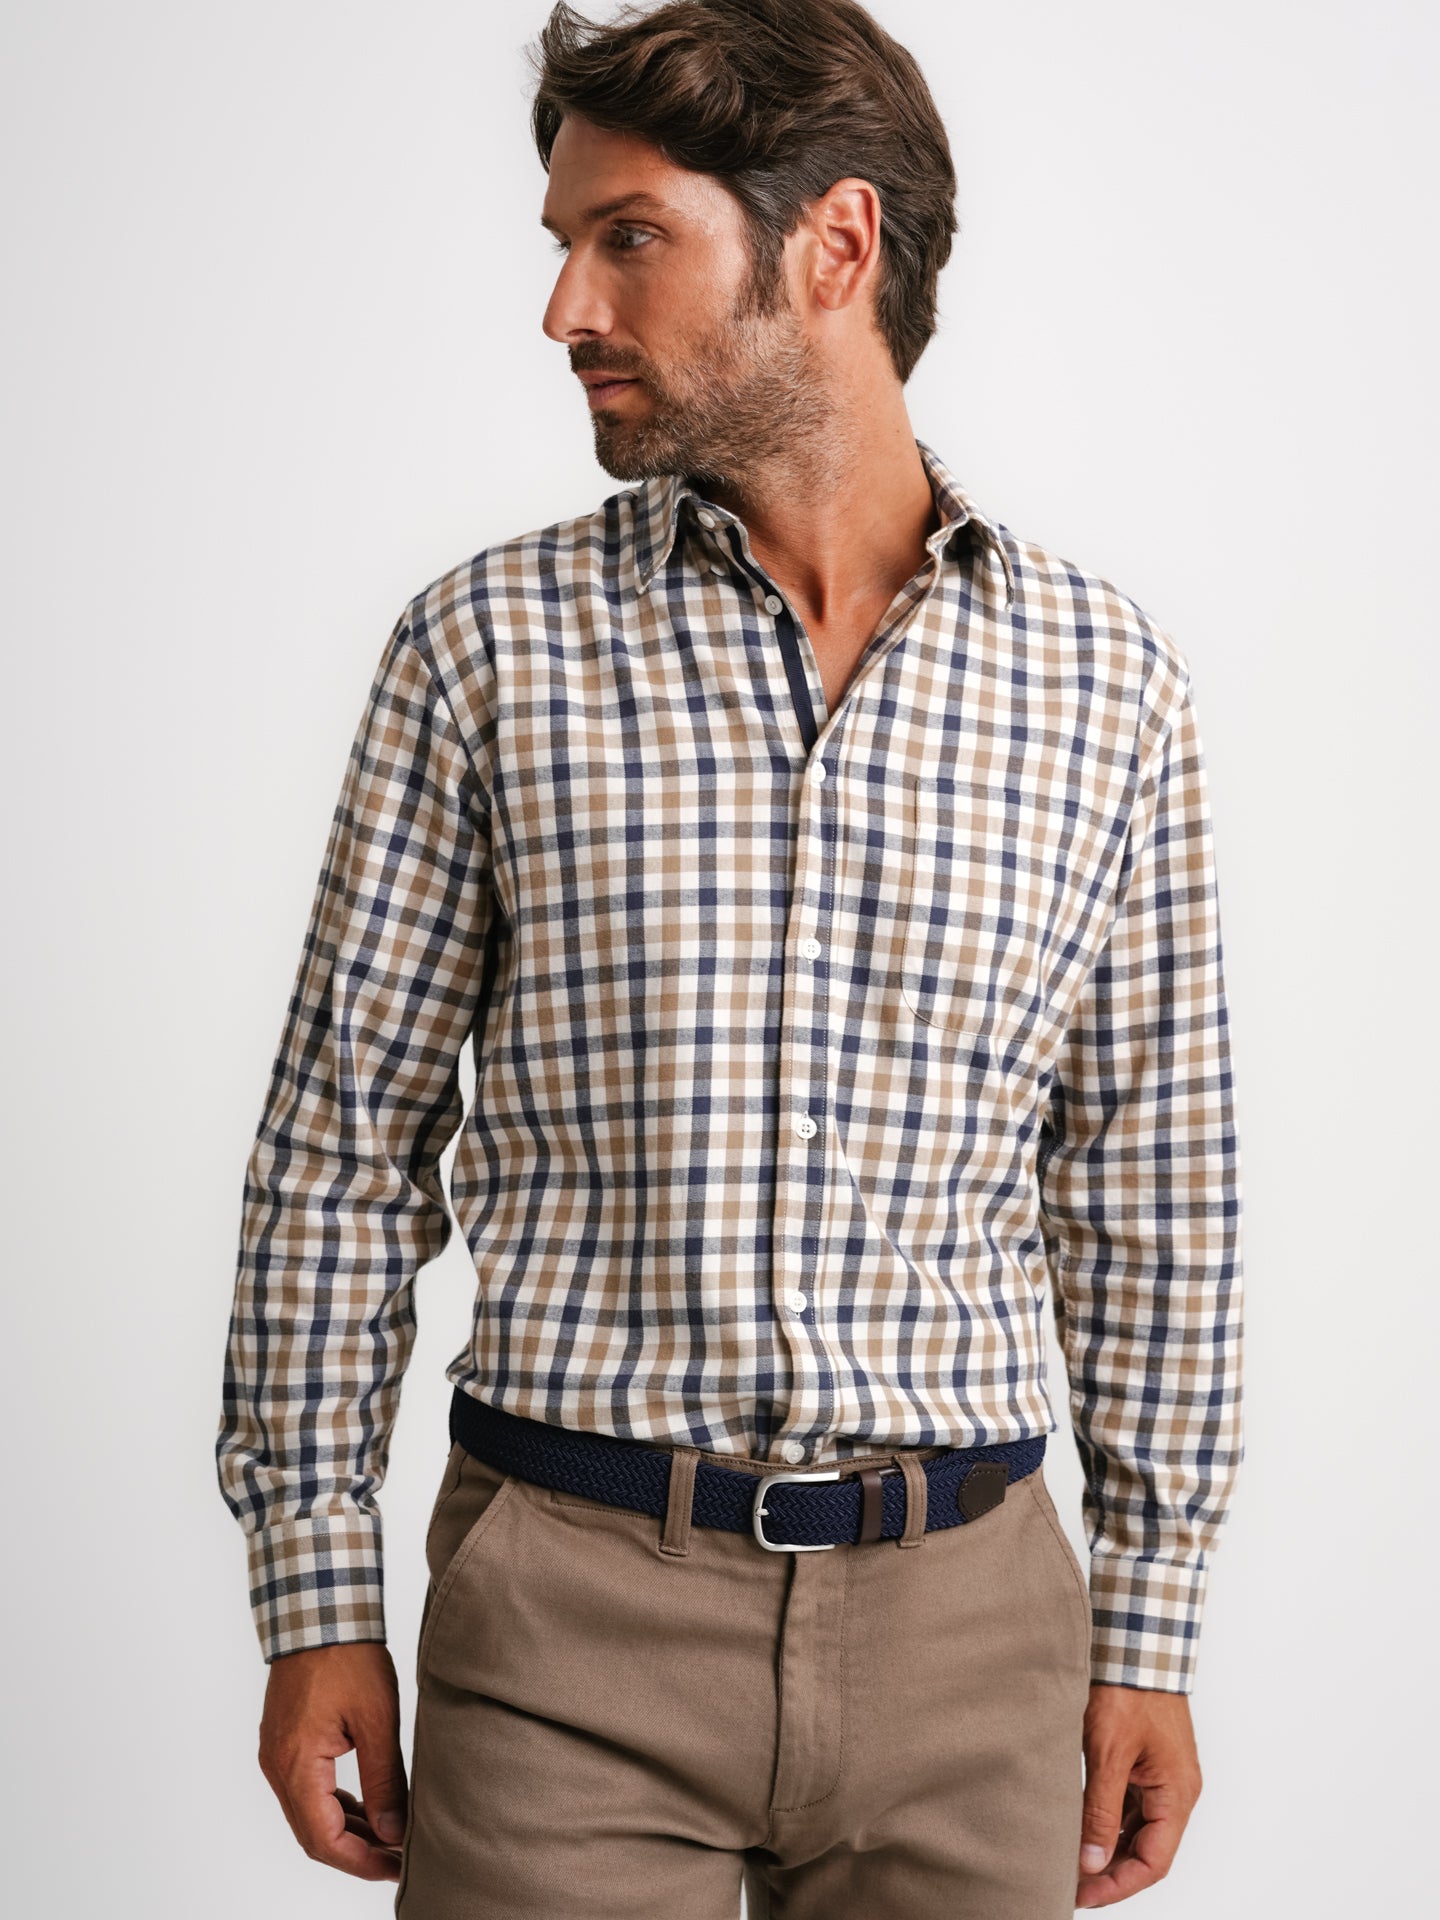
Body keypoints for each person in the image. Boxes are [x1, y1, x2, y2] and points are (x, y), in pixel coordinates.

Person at [215, 2, 1245, 1914]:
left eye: (630, 239)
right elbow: (343, 1152)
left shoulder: (1109, 688)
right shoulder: (484, 649)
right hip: (568, 1630)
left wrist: (1152, 1622)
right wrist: (314, 1589)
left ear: (835, 245)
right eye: (563, 245)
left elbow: (1148, 1188)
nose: (566, 311)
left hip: (976, 1644)